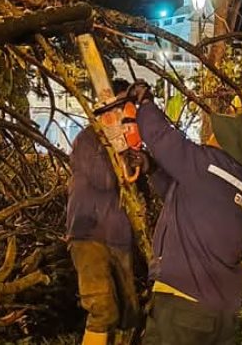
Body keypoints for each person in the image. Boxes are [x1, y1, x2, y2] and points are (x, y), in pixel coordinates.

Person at [130, 88, 242, 345]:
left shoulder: (208, 165)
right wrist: (152, 169)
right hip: (221, 315)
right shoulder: (241, 185)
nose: (213, 135)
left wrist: (146, 102)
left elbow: (161, 137)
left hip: (183, 307)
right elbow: (187, 199)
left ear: (228, 143)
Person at [66, 81, 140, 345]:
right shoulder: (88, 138)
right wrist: (123, 149)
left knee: (129, 314)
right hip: (89, 234)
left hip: (119, 238)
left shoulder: (126, 144)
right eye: (120, 108)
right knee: (102, 309)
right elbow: (105, 179)